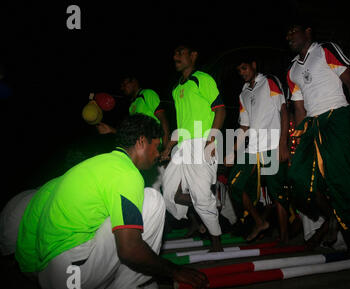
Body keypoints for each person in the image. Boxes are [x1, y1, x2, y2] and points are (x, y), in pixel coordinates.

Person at [9, 114, 207, 289]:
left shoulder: (92, 166)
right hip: (73, 276)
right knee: (152, 199)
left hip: (48, 275)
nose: (158, 154)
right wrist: (175, 271)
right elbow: (129, 249)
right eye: (157, 146)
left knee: (116, 213)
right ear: (141, 142)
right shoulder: (126, 174)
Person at [285, 21, 350, 256]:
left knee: (342, 180)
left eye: (294, 30)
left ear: (308, 31)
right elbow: (299, 108)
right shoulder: (292, 70)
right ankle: (332, 214)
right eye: (287, 34)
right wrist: (298, 143)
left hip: (337, 117)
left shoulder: (326, 49)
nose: (289, 35)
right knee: (298, 178)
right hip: (312, 124)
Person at [161, 43, 226, 252]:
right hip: (182, 145)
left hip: (202, 142)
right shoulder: (176, 88)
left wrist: (212, 140)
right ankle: (205, 206)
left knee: (199, 193)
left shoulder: (203, 79)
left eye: (181, 52)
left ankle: (216, 239)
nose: (176, 56)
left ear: (193, 55)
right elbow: (182, 125)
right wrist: (168, 147)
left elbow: (221, 110)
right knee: (170, 193)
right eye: (175, 53)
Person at [225, 56, 290, 244]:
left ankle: (285, 239)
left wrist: (283, 143)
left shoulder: (270, 81)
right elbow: (244, 127)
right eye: (239, 71)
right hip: (252, 148)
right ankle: (259, 222)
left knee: (277, 193)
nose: (242, 73)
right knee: (234, 184)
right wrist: (233, 151)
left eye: (245, 68)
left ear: (254, 65)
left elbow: (283, 110)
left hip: (272, 145)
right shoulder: (243, 93)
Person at [97, 75, 170, 191]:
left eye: (124, 84)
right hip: (144, 153)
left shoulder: (147, 94)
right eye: (121, 86)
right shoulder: (132, 106)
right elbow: (133, 134)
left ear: (134, 82)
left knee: (169, 188)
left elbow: (163, 119)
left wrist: (165, 147)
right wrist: (111, 130)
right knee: (150, 189)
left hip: (156, 148)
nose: (122, 87)